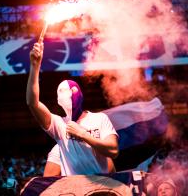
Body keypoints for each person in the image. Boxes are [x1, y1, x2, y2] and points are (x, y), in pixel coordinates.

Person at [26, 42, 119, 176]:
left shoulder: (100, 118)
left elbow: (113, 151)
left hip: (101, 189)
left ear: (78, 93)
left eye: (69, 89)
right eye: (61, 92)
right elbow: (32, 103)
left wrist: (83, 134)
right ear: (58, 101)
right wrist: (35, 66)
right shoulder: (59, 125)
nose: (66, 94)